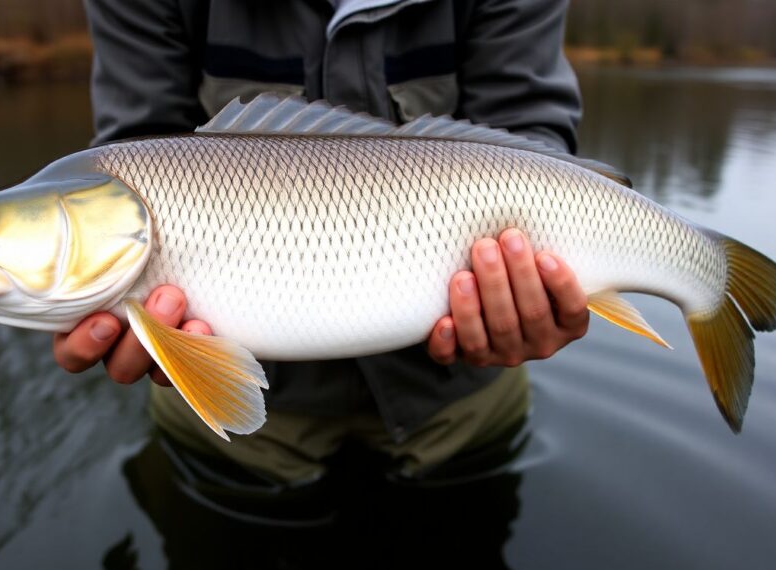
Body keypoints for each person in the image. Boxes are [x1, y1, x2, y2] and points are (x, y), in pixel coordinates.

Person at [55, 0, 588, 487]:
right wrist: (163, 345)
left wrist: (534, 289)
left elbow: (531, 138)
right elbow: (138, 149)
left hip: (459, 411)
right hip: (248, 435)